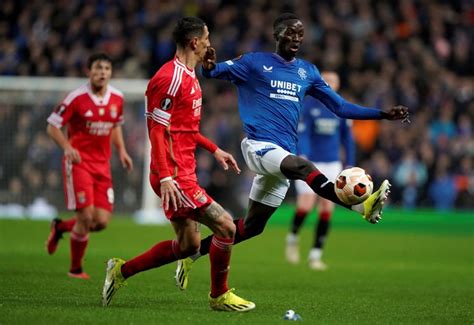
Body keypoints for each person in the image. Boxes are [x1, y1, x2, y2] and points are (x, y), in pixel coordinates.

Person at [174, 13, 410, 290]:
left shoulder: (307, 72)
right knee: (303, 168)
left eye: (300, 34)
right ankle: (361, 206)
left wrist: (382, 114)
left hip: (281, 156)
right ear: (277, 35)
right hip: (258, 146)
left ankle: (192, 255)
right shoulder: (253, 62)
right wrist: (209, 66)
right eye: (291, 33)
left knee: (252, 227)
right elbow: (212, 71)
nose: (296, 38)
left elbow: (340, 107)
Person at [101, 17, 255, 312]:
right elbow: (157, 131)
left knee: (188, 247)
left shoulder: (190, 75)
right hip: (174, 174)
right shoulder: (170, 78)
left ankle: (120, 271)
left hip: (181, 171)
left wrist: (214, 149)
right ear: (194, 42)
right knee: (226, 227)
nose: (211, 43)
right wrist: (167, 178)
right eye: (207, 37)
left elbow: (182, 129)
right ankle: (218, 296)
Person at [45, 53, 133, 279]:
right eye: (97, 68)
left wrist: (122, 150)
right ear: (89, 72)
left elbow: (115, 126)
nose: (102, 72)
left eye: (106, 68)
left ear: (111, 73)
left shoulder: (117, 98)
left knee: (101, 221)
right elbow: (53, 127)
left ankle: (60, 227)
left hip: (102, 166)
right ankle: (75, 269)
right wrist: (66, 146)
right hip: (79, 163)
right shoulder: (75, 98)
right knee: (85, 217)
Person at [285, 71, 355, 270]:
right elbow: (303, 134)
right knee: (306, 206)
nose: (331, 85)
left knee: (327, 207)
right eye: (327, 81)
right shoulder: (308, 107)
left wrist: (349, 163)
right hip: (310, 161)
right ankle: (293, 237)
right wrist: (304, 155)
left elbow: (348, 139)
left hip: (332, 162)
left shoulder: (341, 108)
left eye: (334, 81)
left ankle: (315, 254)